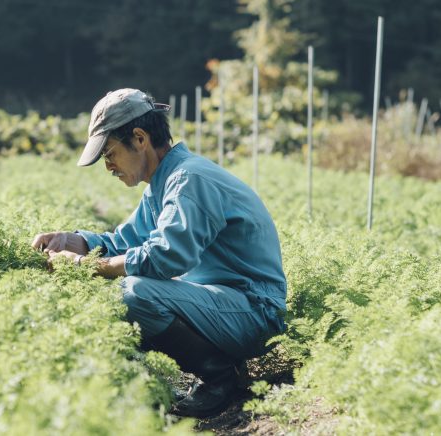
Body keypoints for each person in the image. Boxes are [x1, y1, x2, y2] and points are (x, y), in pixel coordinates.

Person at [31, 88, 287, 418]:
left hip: (253, 311)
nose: (108, 166)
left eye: (109, 154)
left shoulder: (188, 179)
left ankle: (220, 377)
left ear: (139, 138)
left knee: (131, 292)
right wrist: (69, 241)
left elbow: (166, 258)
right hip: (223, 304)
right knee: (122, 284)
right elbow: (123, 241)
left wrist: (86, 266)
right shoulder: (163, 182)